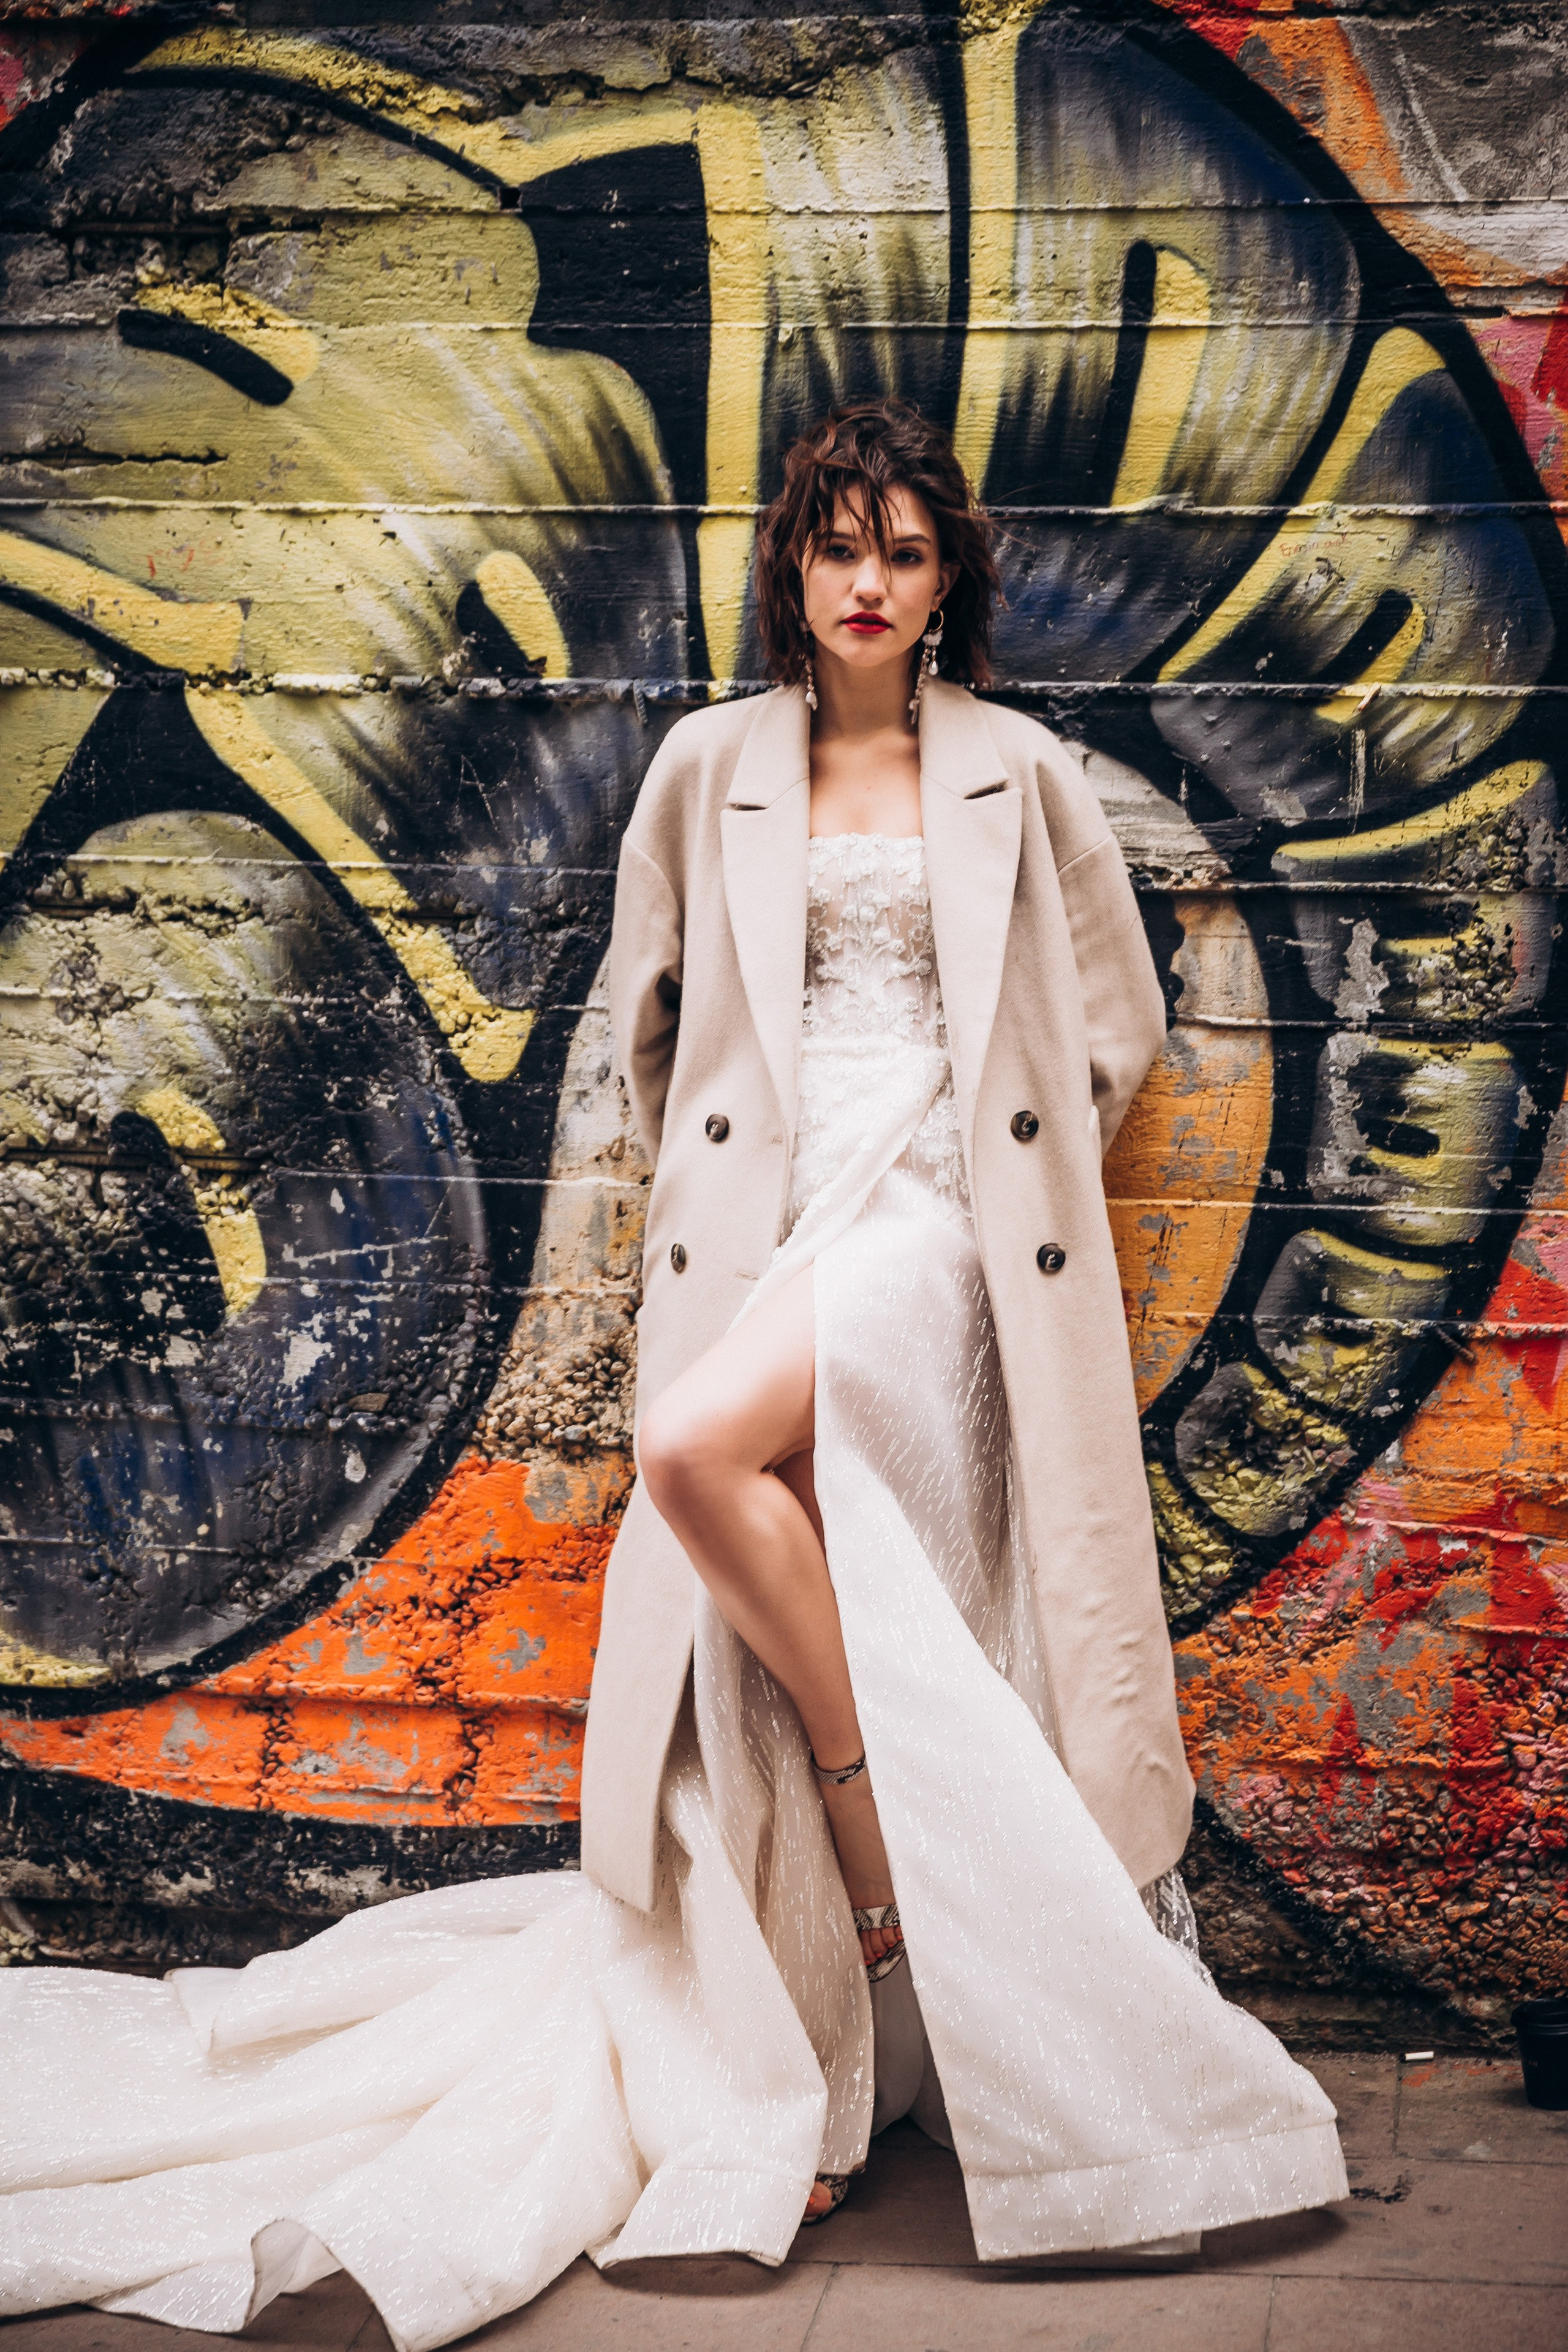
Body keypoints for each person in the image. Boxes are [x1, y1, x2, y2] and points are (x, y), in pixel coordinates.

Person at [0, 401, 1344, 2351]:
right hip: (774, 1227)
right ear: (793, 569)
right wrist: (717, 1204)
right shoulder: (711, 768)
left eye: (904, 551)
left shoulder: (1020, 772)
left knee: (699, 1451)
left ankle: (880, 1871)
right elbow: (643, 1036)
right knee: (745, 1511)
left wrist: (1000, 1184)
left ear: (948, 576)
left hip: (943, 1233)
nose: (869, 582)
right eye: (837, 549)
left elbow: (1116, 1024)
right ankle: (834, 2003)